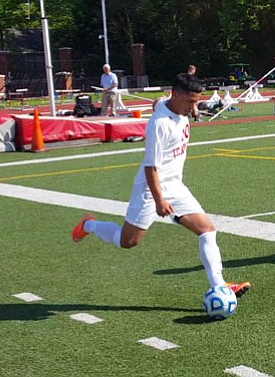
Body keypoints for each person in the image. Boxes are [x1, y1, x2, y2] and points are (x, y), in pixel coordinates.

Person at [71, 73, 251, 298]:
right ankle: (89, 225)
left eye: (196, 102)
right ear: (175, 95)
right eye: (189, 102)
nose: (193, 107)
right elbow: (151, 167)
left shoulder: (174, 107)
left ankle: (220, 286)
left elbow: (159, 103)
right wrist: (159, 200)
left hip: (175, 186)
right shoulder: (159, 124)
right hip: (150, 189)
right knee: (128, 241)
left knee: (206, 230)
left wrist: (169, 102)